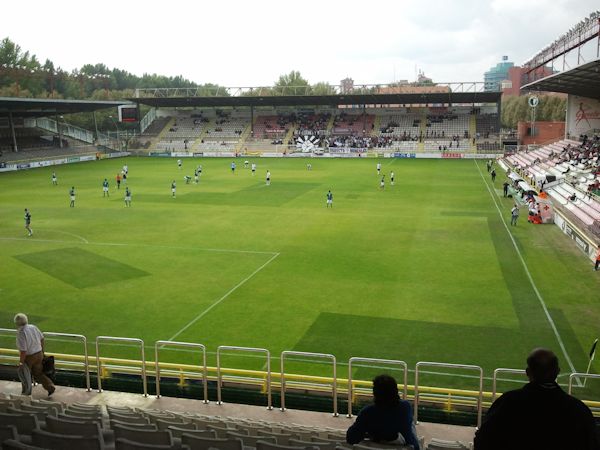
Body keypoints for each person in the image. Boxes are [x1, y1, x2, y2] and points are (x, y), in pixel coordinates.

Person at [474, 348, 598, 450]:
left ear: (528, 372)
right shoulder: (579, 410)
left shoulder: (507, 402)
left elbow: (483, 440)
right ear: (557, 372)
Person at [346, 374, 419, 449]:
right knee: (410, 424)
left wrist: (367, 433)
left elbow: (351, 438)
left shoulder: (367, 412)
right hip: (406, 445)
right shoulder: (405, 407)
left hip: (376, 442)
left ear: (375, 393)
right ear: (396, 391)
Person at [14, 313, 55, 396]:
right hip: (39, 354)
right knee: (38, 373)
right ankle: (50, 386)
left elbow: (23, 351)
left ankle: (25, 393)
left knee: (25, 375)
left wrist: (21, 363)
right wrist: (42, 352)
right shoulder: (33, 327)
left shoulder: (21, 333)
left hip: (29, 357)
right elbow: (42, 338)